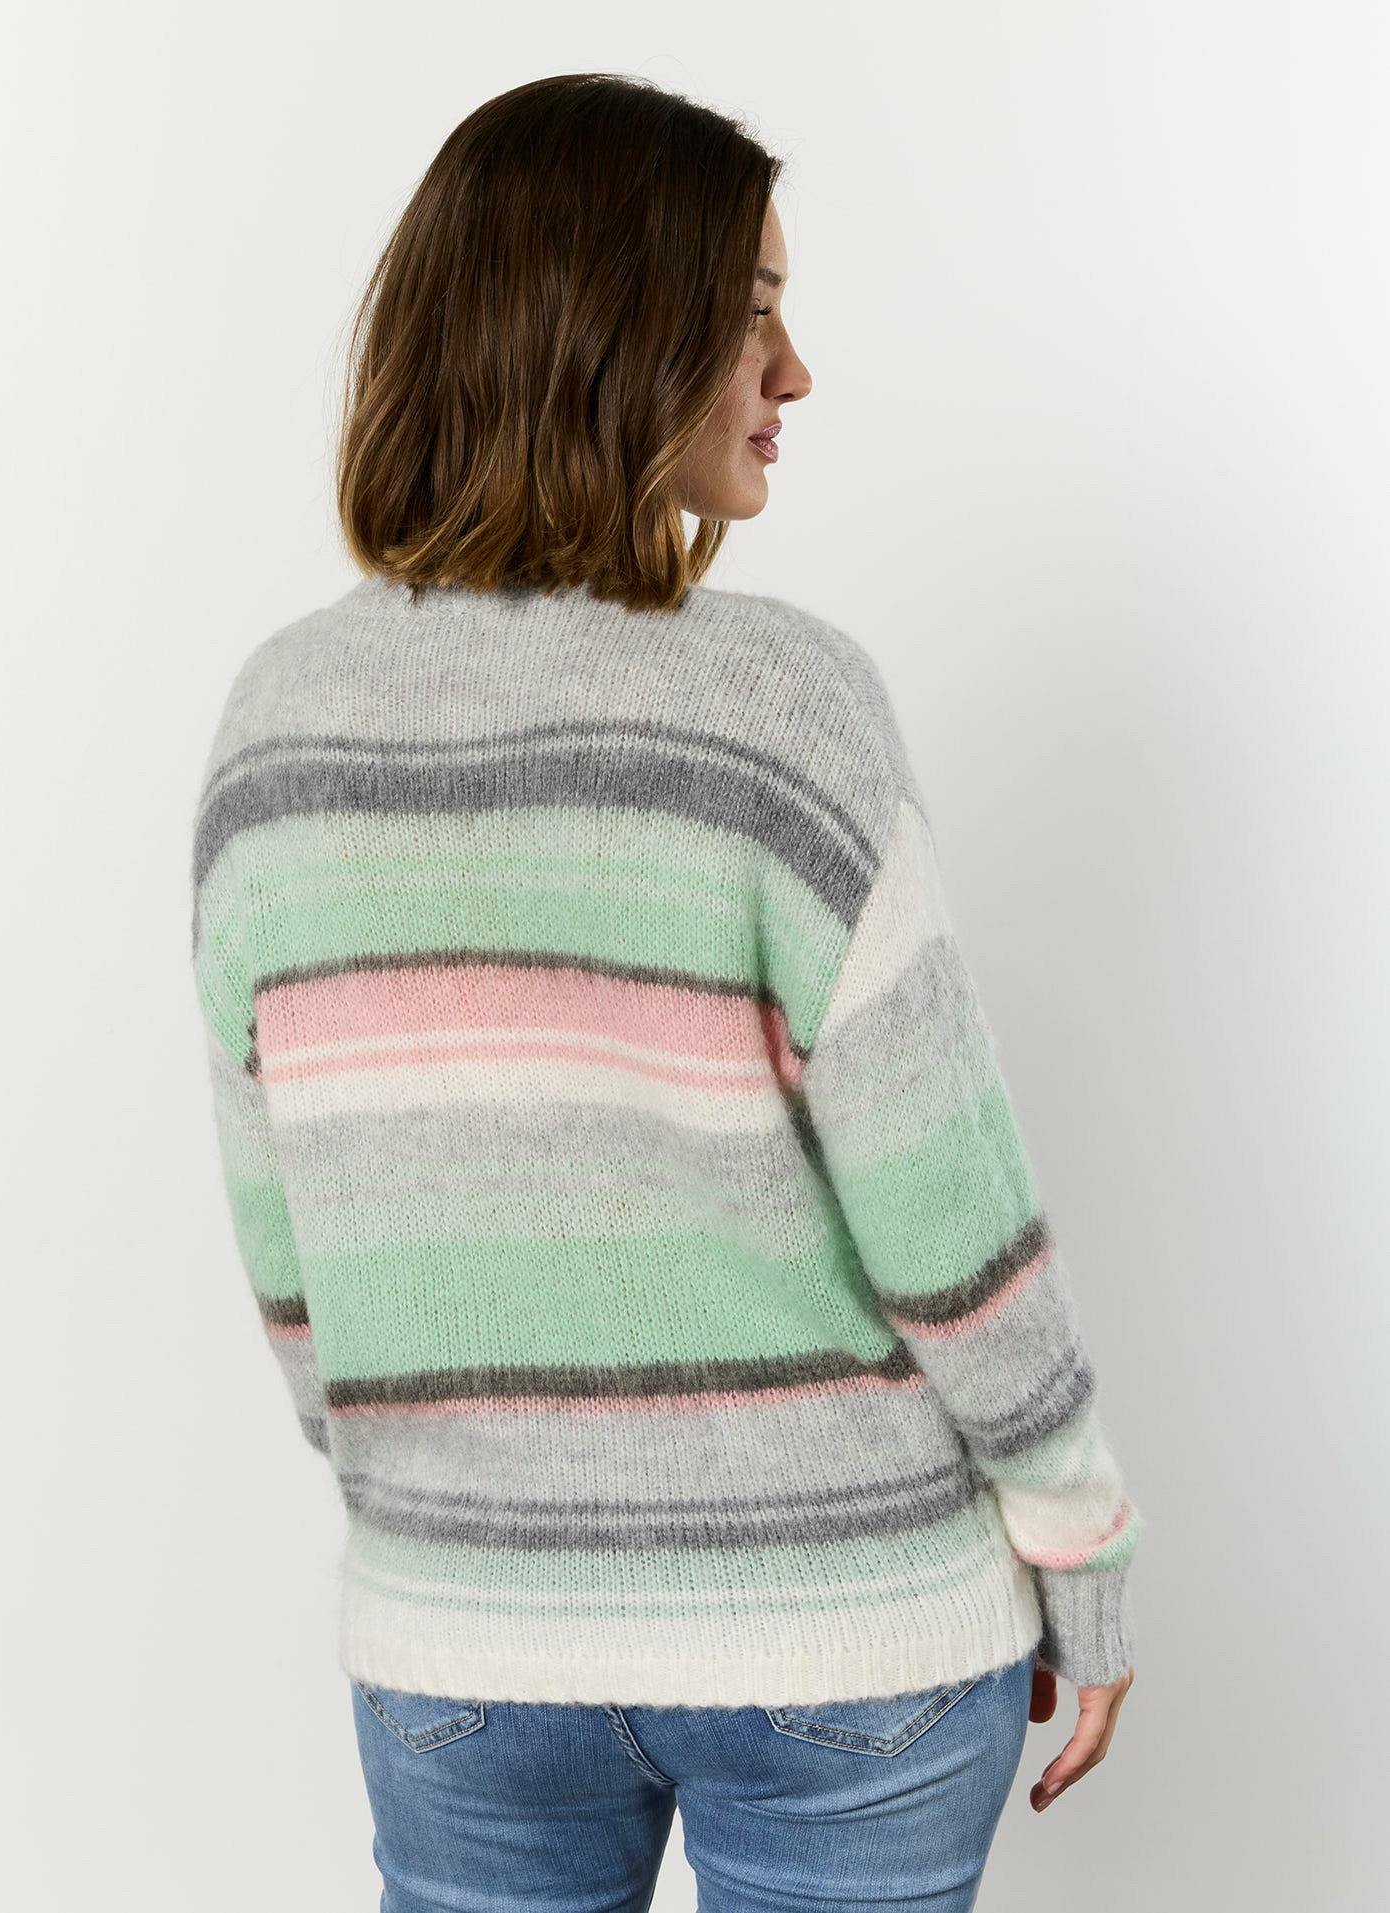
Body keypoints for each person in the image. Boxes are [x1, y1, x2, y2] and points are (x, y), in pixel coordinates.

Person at [189, 70, 1141, 1912]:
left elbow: (289, 1247)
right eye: (752, 312)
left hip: (463, 1643)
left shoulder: (275, 733)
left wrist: (460, 1492)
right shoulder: (785, 711)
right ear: (610, 329)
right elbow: (949, 1217)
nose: (796, 374)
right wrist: (1080, 1539)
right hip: (845, 1639)